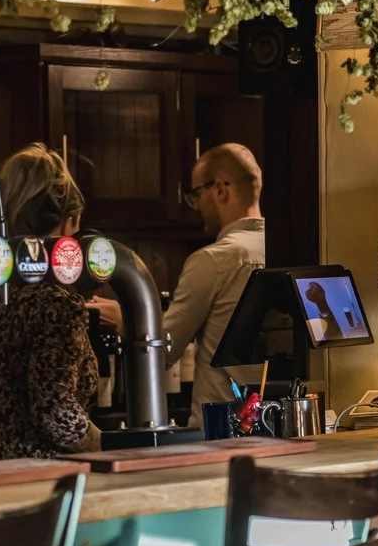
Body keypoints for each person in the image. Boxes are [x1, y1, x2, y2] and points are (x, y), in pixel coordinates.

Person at [93, 143, 266, 427]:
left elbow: (164, 350)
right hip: (275, 424)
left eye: (196, 194)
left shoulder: (213, 260)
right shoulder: (289, 250)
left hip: (222, 429)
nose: (195, 206)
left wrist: (125, 319)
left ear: (221, 190)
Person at [0, 143, 100, 461]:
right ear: (68, 224)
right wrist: (104, 444)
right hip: (35, 477)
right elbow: (57, 414)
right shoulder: (57, 305)